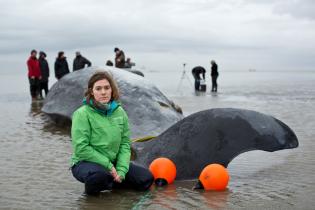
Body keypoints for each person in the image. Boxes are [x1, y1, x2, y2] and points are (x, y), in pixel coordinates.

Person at [70, 71, 154, 195]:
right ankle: (91, 200)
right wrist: (109, 166)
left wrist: (121, 170)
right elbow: (81, 148)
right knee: (100, 176)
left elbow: (125, 144)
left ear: (112, 90)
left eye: (106, 88)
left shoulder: (120, 112)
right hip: (85, 162)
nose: (103, 92)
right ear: (92, 92)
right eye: (98, 88)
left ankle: (114, 184)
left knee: (146, 178)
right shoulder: (82, 114)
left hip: (112, 163)